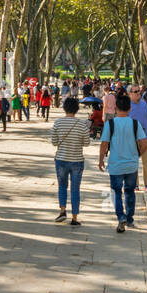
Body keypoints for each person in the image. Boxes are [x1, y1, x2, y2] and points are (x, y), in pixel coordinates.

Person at [100, 93, 146, 232]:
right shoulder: (135, 123)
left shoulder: (110, 124)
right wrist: (137, 155)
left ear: (115, 107)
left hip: (115, 165)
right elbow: (144, 144)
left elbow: (104, 144)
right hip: (131, 165)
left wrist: (100, 159)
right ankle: (130, 218)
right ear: (130, 108)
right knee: (130, 192)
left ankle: (121, 217)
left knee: (116, 192)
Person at [51, 96, 91, 225]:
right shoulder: (81, 124)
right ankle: (74, 217)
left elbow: (54, 142)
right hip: (77, 160)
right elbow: (87, 143)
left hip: (61, 159)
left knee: (62, 186)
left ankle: (63, 211)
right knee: (75, 189)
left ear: (64, 108)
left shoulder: (57, 123)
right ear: (77, 109)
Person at [127, 85, 147, 191]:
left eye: (139, 91)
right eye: (135, 91)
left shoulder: (144, 104)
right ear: (129, 93)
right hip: (132, 139)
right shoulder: (127, 106)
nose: (138, 93)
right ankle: (135, 184)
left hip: (145, 137)